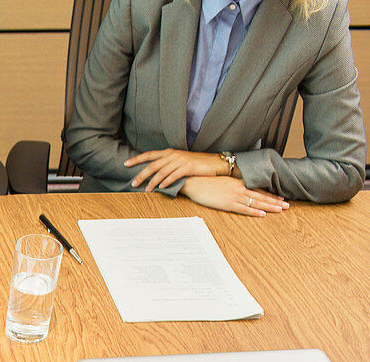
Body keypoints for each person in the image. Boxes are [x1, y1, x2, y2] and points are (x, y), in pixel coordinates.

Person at [65, 0, 365, 217]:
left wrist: (226, 165)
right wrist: (186, 182)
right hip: (119, 204)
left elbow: (343, 169)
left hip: (228, 217)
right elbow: (85, 138)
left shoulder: (323, 14)